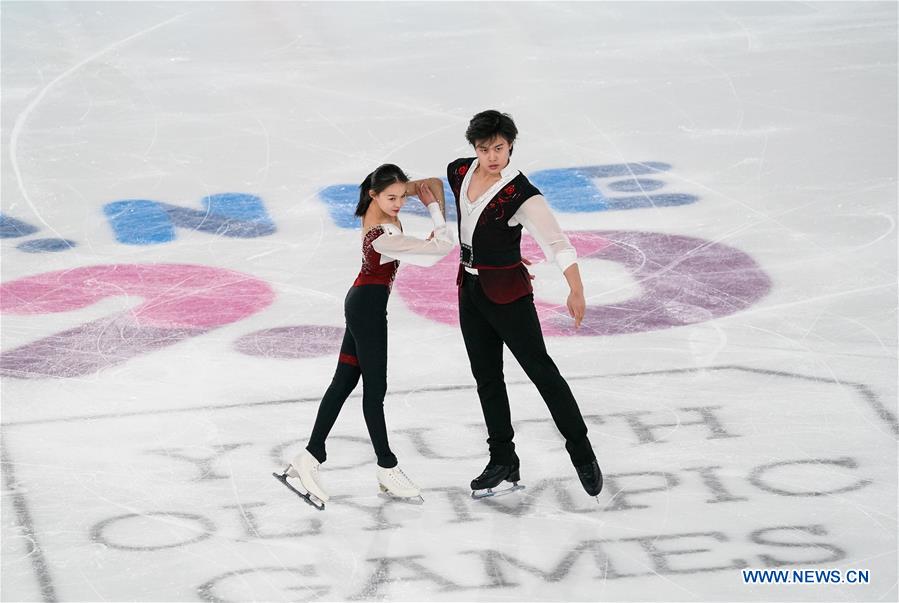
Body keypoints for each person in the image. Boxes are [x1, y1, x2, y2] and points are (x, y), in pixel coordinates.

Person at [274, 164, 454, 510]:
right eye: (392, 197)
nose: (400, 202)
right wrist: (433, 210)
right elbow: (440, 250)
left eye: (403, 196)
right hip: (368, 311)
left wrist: (413, 193)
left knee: (343, 383)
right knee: (374, 393)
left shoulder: (374, 212)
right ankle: (387, 466)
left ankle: (310, 457)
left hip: (361, 303)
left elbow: (429, 184)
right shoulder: (384, 234)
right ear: (374, 194)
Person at [445, 110, 603, 499]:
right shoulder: (460, 171)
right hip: (470, 290)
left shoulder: (523, 195)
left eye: (499, 148)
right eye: (484, 149)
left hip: (509, 298)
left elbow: (557, 244)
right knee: (487, 379)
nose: (492, 156)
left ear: (511, 146)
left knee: (542, 372)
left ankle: (581, 450)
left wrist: (576, 289)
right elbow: (438, 189)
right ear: (474, 149)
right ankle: (503, 459)